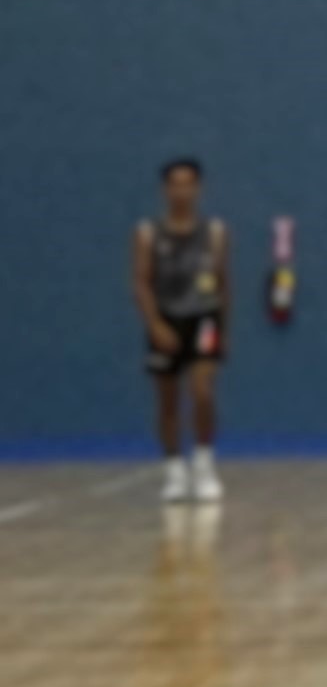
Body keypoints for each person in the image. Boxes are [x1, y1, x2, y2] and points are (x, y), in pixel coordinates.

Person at [132, 156, 229, 506]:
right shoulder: (148, 233)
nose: (182, 190)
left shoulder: (214, 233)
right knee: (168, 399)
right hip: (166, 319)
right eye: (175, 183)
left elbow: (223, 283)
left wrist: (225, 329)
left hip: (204, 318)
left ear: (198, 188)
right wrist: (155, 324)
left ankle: (204, 463)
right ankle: (174, 468)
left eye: (189, 183)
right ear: (165, 189)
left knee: (202, 390)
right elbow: (141, 283)